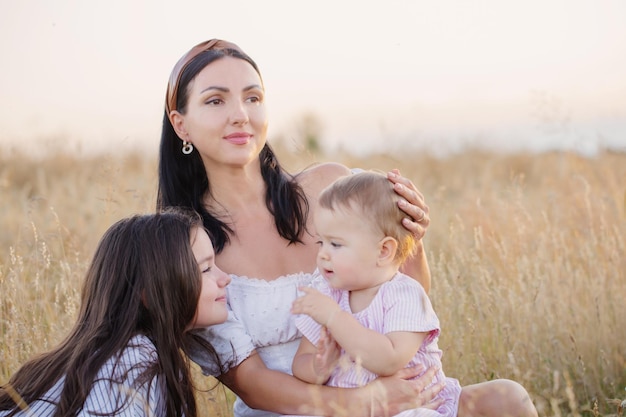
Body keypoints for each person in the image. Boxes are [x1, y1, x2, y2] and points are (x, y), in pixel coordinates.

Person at [157, 38, 443, 417]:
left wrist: (411, 240)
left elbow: (404, 299)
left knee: (507, 399)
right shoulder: (189, 248)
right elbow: (254, 384)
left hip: (393, 392)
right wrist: (363, 404)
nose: (241, 115)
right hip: (293, 411)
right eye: (215, 101)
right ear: (181, 125)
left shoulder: (330, 188)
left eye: (253, 98)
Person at [290, 171, 538, 417]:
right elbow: (301, 362)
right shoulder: (328, 295)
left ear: (384, 251)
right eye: (321, 242)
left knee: (510, 395)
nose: (323, 254)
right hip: (362, 409)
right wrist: (318, 367)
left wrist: (334, 318)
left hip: (421, 404)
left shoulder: (405, 293)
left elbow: (389, 359)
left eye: (336, 244)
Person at [0, 209, 232, 417]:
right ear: (150, 294)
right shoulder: (128, 365)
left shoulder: (126, 354)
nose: (225, 278)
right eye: (206, 268)